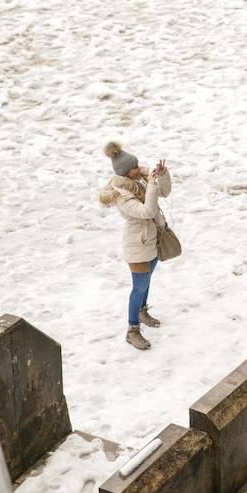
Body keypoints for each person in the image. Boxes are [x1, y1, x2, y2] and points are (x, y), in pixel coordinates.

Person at [99, 141, 172, 351]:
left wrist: (163, 174)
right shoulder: (121, 194)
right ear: (124, 172)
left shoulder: (139, 179)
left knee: (147, 281)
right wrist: (150, 184)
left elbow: (164, 192)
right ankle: (132, 330)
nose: (138, 168)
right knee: (139, 287)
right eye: (134, 166)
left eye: (137, 164)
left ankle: (142, 311)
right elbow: (147, 211)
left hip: (152, 240)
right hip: (137, 246)